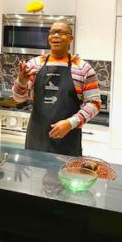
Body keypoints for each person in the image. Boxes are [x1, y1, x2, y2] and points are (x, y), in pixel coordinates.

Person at [12, 22, 101, 156]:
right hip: (36, 140)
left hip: (68, 143)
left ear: (71, 39)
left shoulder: (83, 68)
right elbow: (18, 98)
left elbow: (94, 104)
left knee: (64, 177)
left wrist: (70, 123)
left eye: (61, 32)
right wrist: (22, 82)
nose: (56, 36)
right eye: (52, 32)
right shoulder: (34, 65)